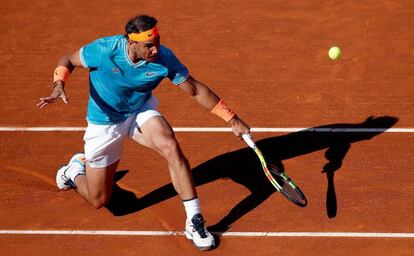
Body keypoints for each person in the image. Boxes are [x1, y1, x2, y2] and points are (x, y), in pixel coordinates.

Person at [37, 14, 250, 251]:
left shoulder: (164, 57)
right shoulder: (105, 50)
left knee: (171, 146)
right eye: (149, 45)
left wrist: (231, 118)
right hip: (104, 123)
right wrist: (59, 85)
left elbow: (195, 89)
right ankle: (75, 170)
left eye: (157, 41)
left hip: (138, 110)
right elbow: (68, 59)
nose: (155, 49)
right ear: (131, 42)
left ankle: (194, 221)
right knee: (100, 200)